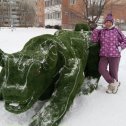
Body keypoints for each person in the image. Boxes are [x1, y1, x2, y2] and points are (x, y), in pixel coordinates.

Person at [91, 13, 126, 94]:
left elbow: (125, 40)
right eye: (106, 22)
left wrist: (120, 47)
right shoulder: (101, 31)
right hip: (104, 55)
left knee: (113, 71)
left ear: (112, 22)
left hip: (115, 55)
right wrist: (96, 30)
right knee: (101, 69)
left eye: (109, 22)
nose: (107, 23)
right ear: (104, 23)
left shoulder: (116, 31)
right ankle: (114, 82)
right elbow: (94, 40)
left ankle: (112, 87)